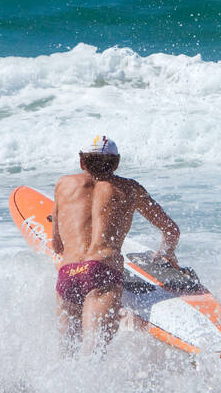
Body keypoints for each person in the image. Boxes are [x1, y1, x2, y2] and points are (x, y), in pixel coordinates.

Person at [50, 135, 180, 353]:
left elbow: (57, 246)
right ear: (117, 163)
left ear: (82, 162)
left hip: (68, 274)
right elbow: (171, 230)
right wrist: (166, 253)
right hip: (101, 273)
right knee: (93, 354)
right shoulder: (130, 189)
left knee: (67, 354)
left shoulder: (63, 184)